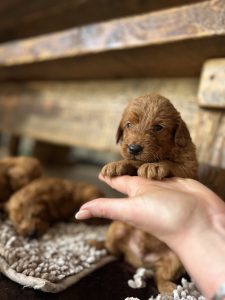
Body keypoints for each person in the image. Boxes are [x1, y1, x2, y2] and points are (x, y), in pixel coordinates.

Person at [75, 174, 225, 300]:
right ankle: (109, 248)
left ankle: (162, 279)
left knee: (177, 259)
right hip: (132, 241)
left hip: (164, 251)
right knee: (119, 228)